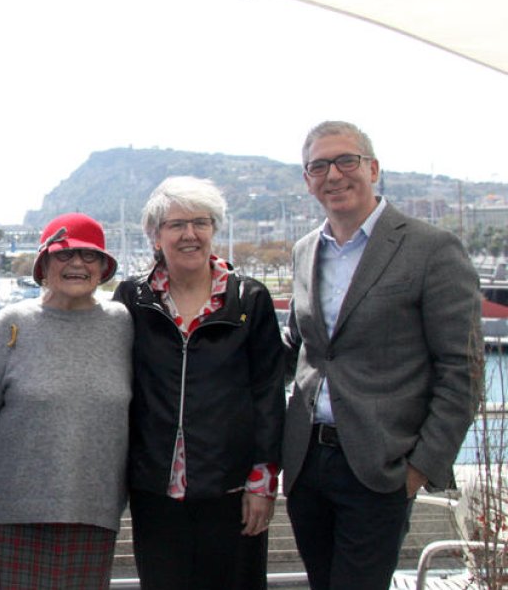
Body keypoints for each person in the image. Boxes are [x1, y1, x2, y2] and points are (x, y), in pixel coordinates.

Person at [283, 121, 482, 590]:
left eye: (345, 161)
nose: (333, 175)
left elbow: (462, 372)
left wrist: (418, 469)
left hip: (380, 467)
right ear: (308, 180)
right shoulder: (304, 250)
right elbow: (299, 345)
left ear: (373, 168)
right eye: (318, 166)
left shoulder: (431, 250)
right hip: (307, 462)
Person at [112, 177, 285, 589]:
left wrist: (262, 483)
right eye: (176, 225)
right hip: (154, 489)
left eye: (201, 222)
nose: (190, 234)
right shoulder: (133, 299)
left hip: (230, 488)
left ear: (214, 230)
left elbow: (268, 394)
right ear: (156, 236)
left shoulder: (249, 300)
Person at [0, 212, 133, 589]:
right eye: (63, 254)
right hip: (14, 514)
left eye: (90, 256)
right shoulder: (11, 323)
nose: (76, 264)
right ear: (43, 265)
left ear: (104, 267)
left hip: (95, 513)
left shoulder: (122, 324)